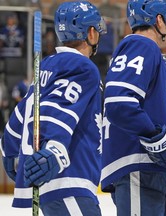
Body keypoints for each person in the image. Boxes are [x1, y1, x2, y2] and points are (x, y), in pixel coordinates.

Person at [0, 1, 107, 215]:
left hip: (51, 187)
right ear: (91, 33)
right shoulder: (84, 67)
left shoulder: (47, 66)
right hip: (69, 179)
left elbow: (24, 111)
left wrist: (9, 150)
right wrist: (54, 151)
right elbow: (59, 110)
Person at [101, 0, 166, 215]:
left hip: (155, 169)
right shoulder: (141, 45)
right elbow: (119, 104)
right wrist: (155, 137)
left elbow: (158, 112)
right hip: (140, 165)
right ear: (159, 21)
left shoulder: (153, 57)